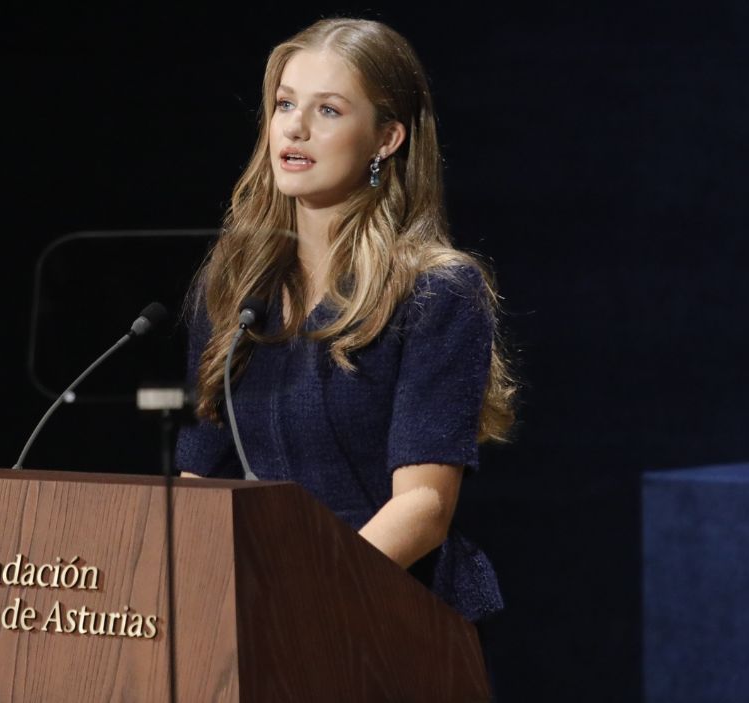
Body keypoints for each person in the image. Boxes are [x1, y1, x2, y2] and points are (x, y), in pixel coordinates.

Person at [176, 18, 516, 627]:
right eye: (284, 104)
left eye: (328, 110)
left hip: (388, 620)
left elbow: (422, 507)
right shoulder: (233, 286)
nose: (295, 127)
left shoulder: (436, 292)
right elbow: (202, 477)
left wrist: (308, 599)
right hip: (258, 615)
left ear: (386, 138)